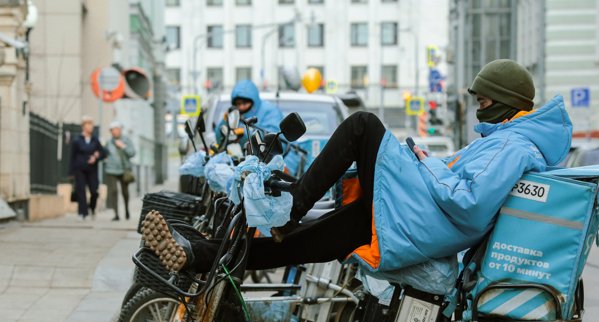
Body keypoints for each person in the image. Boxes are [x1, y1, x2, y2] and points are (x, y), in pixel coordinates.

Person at [143, 59, 573, 277]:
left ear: (504, 101)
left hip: (430, 221)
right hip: (423, 219)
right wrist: (431, 163)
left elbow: (470, 202)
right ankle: (203, 255)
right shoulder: (507, 141)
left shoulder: (514, 145)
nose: (479, 109)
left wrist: (425, 166)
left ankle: (291, 204)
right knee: (312, 241)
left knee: (363, 126)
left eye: (482, 102)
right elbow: (464, 181)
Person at [214, 79, 283, 146]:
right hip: (253, 156)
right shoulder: (237, 116)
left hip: (281, 156)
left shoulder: (270, 111)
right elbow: (220, 141)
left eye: (245, 103)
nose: (241, 107)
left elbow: (273, 136)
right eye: (238, 104)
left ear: (253, 100)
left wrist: (244, 134)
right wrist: (225, 121)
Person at [69, 116, 107, 219]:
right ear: (83, 126)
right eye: (88, 124)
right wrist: (71, 172)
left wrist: (96, 156)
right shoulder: (77, 140)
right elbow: (73, 156)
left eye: (91, 124)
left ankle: (92, 207)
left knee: (94, 191)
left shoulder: (95, 139)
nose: (90, 127)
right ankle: (82, 213)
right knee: (81, 191)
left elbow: (103, 153)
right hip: (80, 169)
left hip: (92, 170)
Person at [104, 120, 137, 221]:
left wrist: (123, 146)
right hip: (111, 170)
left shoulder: (126, 140)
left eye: (116, 129)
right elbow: (105, 153)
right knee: (113, 191)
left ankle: (127, 210)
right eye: (112, 130)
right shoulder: (109, 142)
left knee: (125, 192)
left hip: (124, 170)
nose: (114, 132)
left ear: (120, 130)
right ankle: (116, 214)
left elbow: (132, 153)